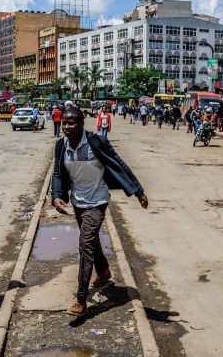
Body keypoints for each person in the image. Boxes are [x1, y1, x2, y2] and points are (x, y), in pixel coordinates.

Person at [51, 107, 148, 317]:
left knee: (85, 244)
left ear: (82, 122)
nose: (66, 127)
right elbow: (58, 172)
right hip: (78, 200)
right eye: (64, 123)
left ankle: (80, 298)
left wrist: (138, 190)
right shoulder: (61, 146)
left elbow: (118, 164)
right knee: (91, 240)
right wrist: (57, 195)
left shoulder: (97, 142)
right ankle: (103, 272)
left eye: (71, 123)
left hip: (98, 200)